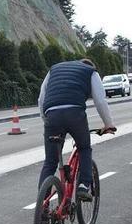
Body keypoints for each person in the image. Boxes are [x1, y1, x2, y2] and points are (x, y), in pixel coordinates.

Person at [37, 59, 116, 202]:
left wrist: (46, 120)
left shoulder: (54, 69)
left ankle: (43, 206)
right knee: (84, 148)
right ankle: (83, 186)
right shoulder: (91, 72)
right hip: (75, 114)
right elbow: (100, 101)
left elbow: (41, 99)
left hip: (51, 115)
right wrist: (108, 124)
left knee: (50, 161)